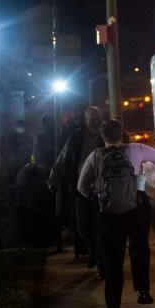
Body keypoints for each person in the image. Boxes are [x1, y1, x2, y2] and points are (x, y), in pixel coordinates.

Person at [77, 119, 155, 308]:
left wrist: (98, 195)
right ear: (123, 133)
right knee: (140, 248)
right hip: (137, 208)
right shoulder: (137, 148)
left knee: (112, 258)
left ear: (103, 136)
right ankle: (144, 292)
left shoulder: (95, 156)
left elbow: (82, 187)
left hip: (108, 214)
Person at [49, 106, 104, 272]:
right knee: (82, 225)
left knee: (100, 227)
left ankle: (101, 263)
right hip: (82, 187)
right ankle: (94, 250)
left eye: (97, 120)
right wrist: (54, 177)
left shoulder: (106, 134)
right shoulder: (76, 137)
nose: (95, 123)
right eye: (91, 120)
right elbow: (64, 157)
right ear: (85, 121)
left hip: (103, 188)